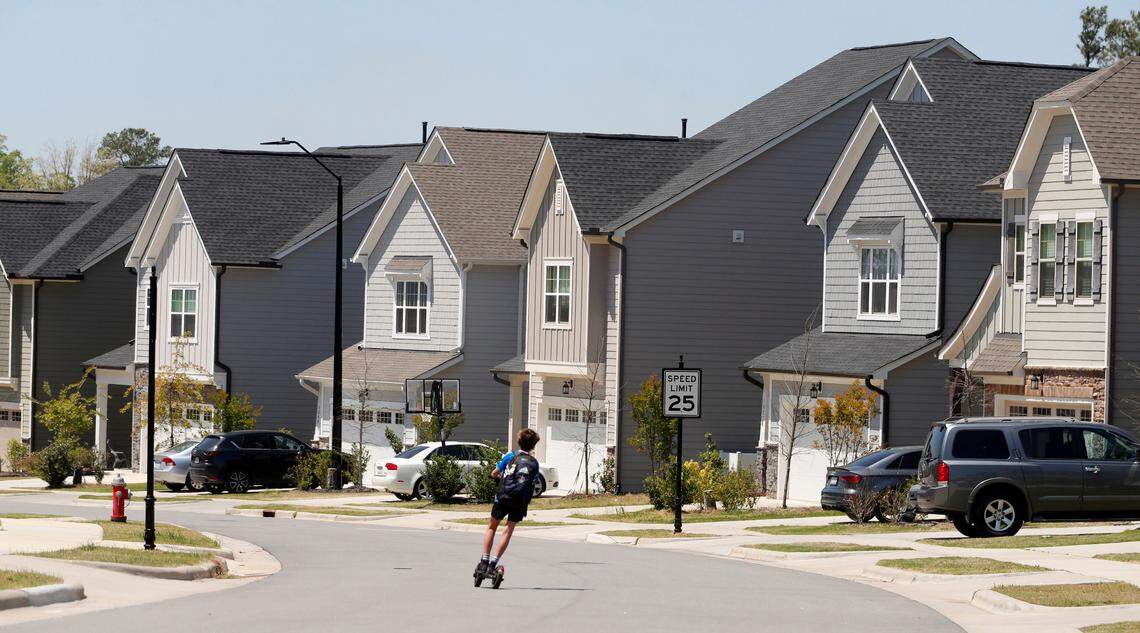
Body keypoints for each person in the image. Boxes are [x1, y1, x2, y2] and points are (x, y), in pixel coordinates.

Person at [476, 428, 541, 580]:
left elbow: (494, 473)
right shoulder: (535, 463)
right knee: (508, 529)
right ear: (533, 446)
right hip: (520, 500)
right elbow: (533, 480)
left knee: (492, 526)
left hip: (504, 496)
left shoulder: (511, 456)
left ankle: (484, 561)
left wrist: (499, 479)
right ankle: (494, 563)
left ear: (519, 441)